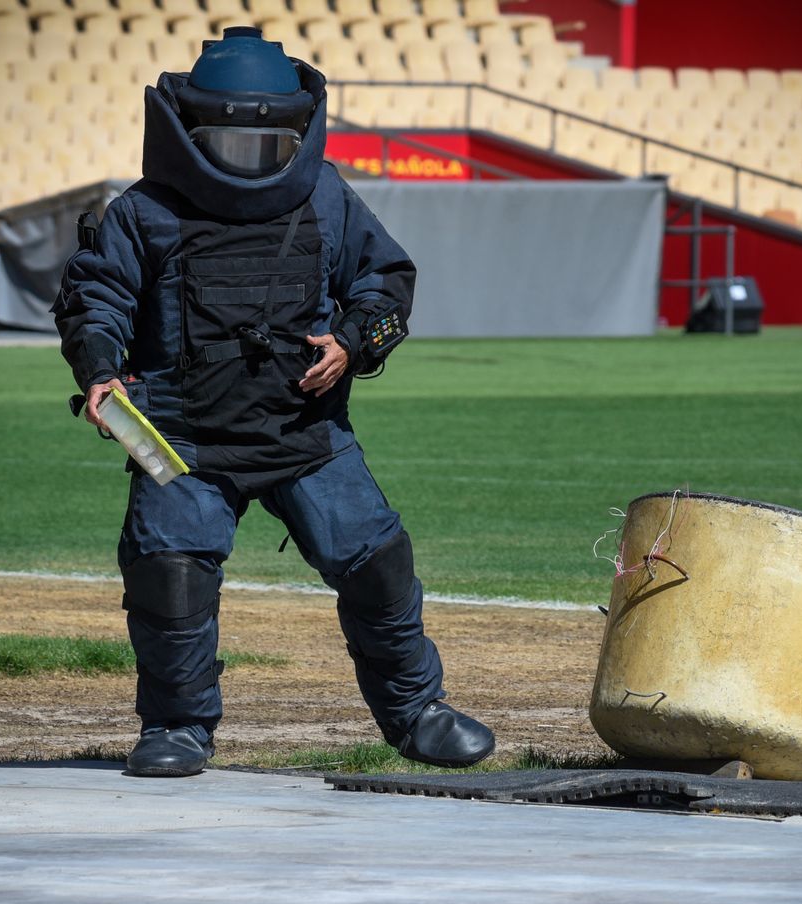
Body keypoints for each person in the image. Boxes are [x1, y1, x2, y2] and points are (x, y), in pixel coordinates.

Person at [53, 27, 496, 778]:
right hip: (184, 442)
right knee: (170, 575)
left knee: (378, 565)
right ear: (187, 132)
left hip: (304, 432)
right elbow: (95, 299)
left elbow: (386, 282)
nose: (247, 162)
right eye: (227, 143)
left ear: (296, 134)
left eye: (265, 146)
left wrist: (355, 342)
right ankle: (177, 727)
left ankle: (420, 711)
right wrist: (99, 369)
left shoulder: (327, 196)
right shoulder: (143, 211)